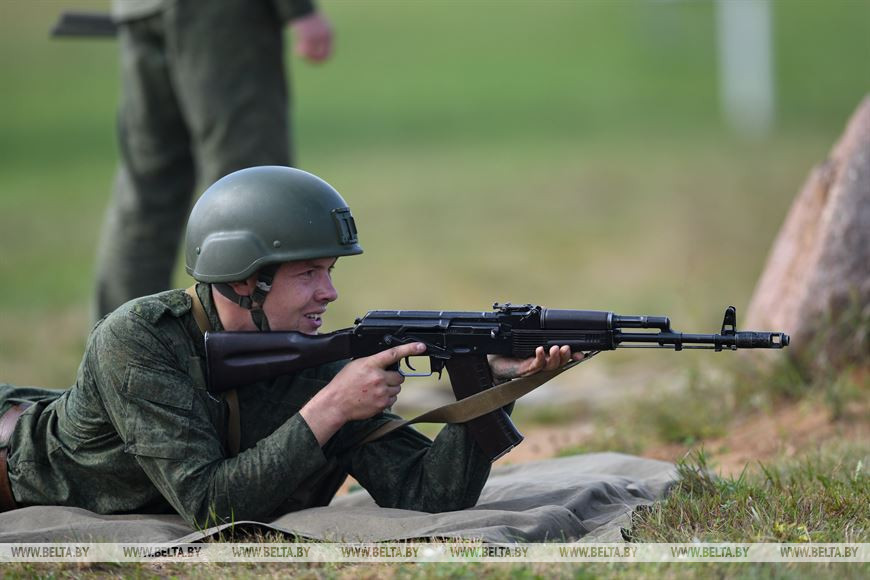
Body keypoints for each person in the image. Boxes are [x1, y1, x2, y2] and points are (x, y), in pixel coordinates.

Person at [0, 167, 578, 527]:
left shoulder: (309, 361)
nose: (330, 292)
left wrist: (497, 385)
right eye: (308, 274)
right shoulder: (138, 339)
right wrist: (330, 409)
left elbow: (432, 494)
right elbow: (210, 508)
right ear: (244, 278)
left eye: (328, 271)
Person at [94, 0, 333, 319]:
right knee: (252, 195)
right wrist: (299, 10)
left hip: (139, 10)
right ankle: (252, 352)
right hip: (221, 15)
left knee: (147, 192)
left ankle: (120, 345)